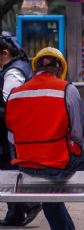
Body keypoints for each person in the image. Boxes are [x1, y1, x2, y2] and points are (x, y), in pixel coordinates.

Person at [5, 47, 84, 230]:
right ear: (59, 70)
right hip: (57, 164)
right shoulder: (68, 89)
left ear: (36, 69)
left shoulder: (16, 93)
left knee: (50, 196)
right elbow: (78, 136)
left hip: (25, 164)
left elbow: (11, 137)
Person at [0, 31, 41, 226]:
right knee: (10, 168)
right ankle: (17, 212)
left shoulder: (13, 72)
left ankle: (28, 204)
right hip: (18, 131)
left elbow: (9, 103)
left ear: (5, 53)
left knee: (10, 168)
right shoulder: (17, 67)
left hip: (13, 133)